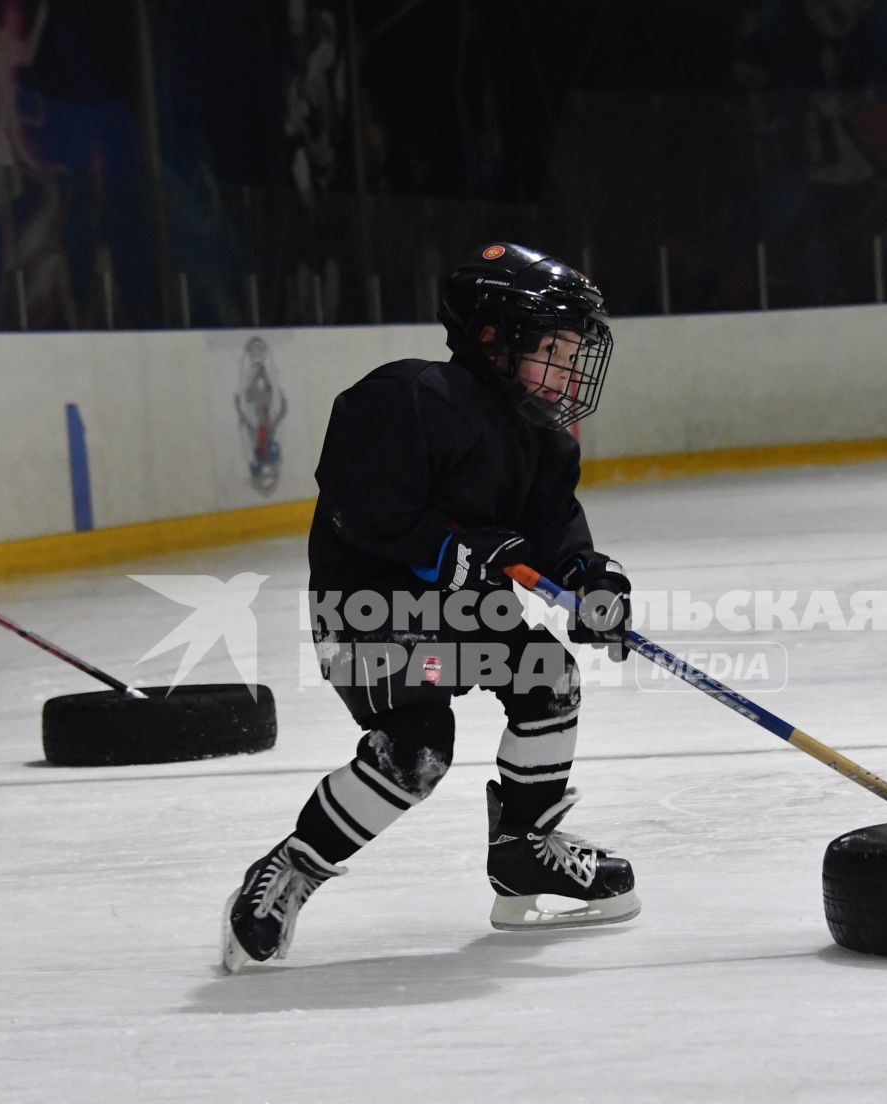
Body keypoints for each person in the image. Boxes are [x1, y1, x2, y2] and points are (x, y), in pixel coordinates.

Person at [220, 242, 638, 972]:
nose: (569, 370)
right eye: (553, 349)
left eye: (575, 352)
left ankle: (523, 853)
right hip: (369, 610)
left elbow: (553, 524)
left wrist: (591, 578)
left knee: (548, 677)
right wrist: (447, 550)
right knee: (415, 750)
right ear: (491, 339)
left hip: (466, 611)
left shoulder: (542, 437)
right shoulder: (411, 396)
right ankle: (289, 871)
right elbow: (360, 502)